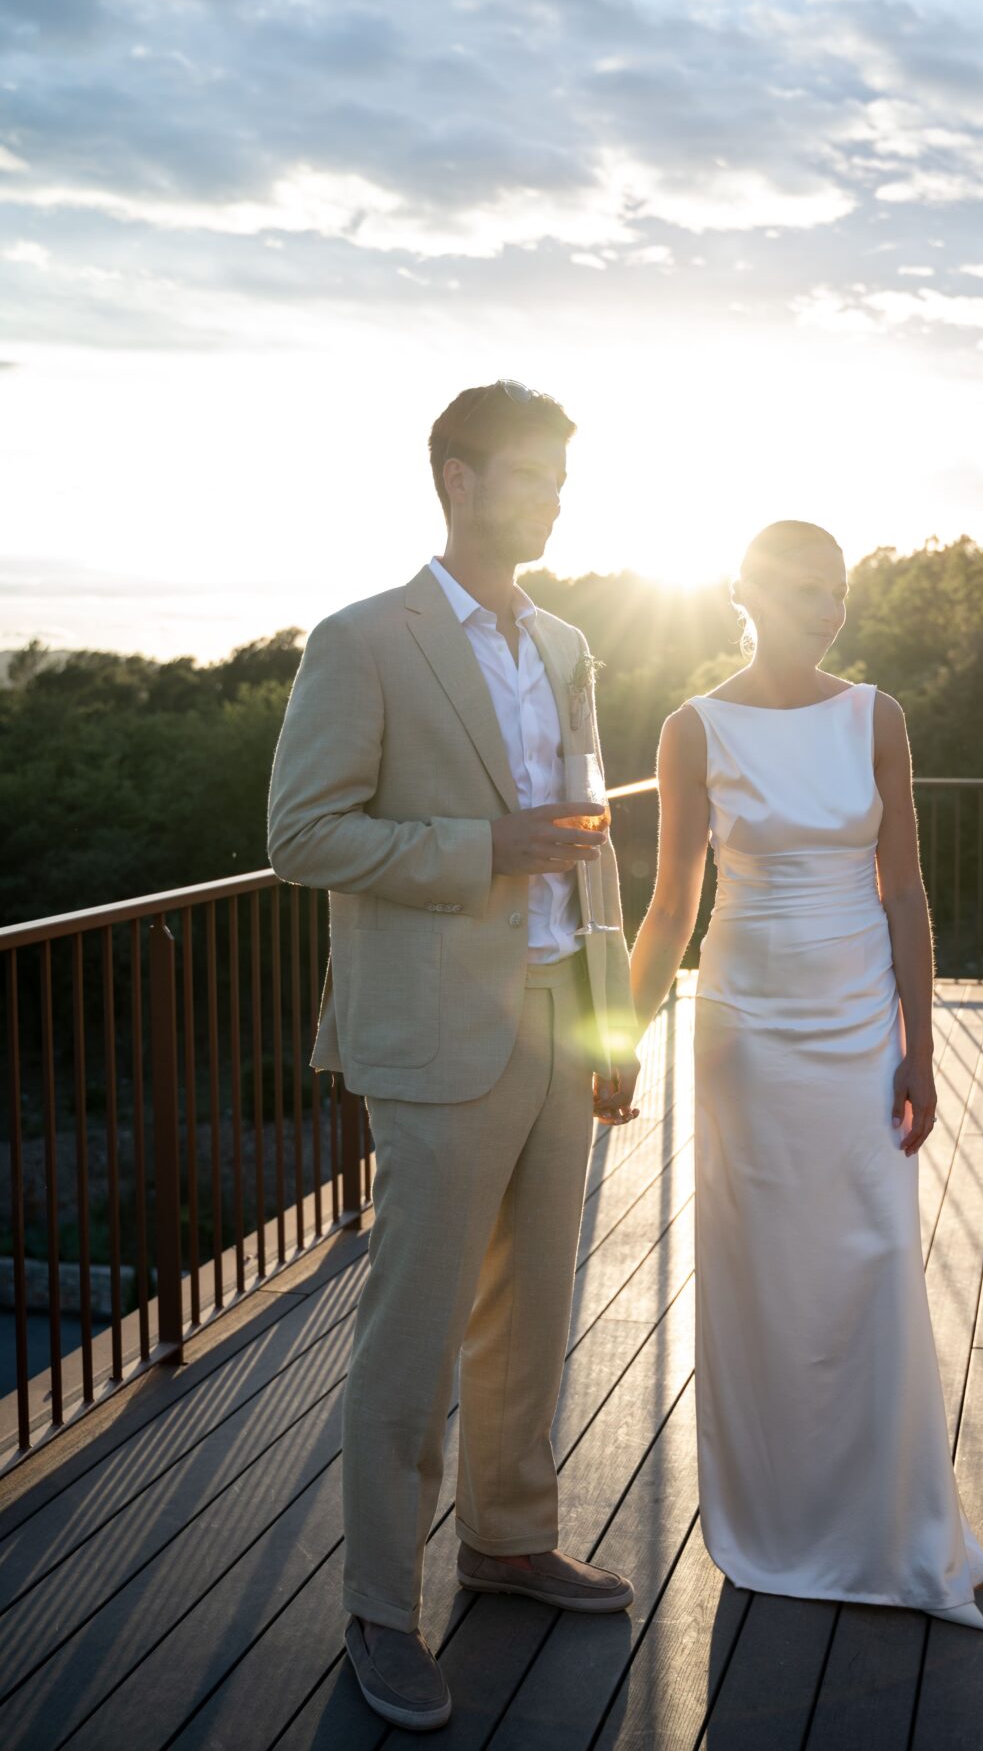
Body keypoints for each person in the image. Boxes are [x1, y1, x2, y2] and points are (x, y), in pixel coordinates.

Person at [268, 379, 641, 1732]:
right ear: (457, 479)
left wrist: (610, 1024)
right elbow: (304, 835)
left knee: (533, 1309)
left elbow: (590, 840)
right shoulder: (361, 641)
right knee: (411, 1340)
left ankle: (507, 1536)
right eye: (533, 477)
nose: (552, 500)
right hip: (433, 1034)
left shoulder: (566, 647)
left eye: (560, 478)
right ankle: (381, 1610)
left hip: (557, 1018)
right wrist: (482, 850)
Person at [627, 519, 983, 1630]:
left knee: (871, 1255)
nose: (826, 608)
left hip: (853, 1026)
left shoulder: (874, 714)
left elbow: (906, 892)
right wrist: (616, 1037)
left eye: (837, 590)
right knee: (757, 1273)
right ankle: (774, 1513)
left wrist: (917, 1044)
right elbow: (670, 906)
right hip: (743, 1025)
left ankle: (880, 1521)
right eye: (802, 589)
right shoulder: (691, 728)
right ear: (745, 590)